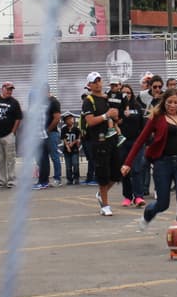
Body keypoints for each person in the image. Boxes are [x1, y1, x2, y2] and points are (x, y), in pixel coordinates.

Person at [123, 87, 177, 250]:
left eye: (175, 102)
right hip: (163, 163)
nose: (172, 105)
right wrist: (127, 163)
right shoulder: (157, 118)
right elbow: (140, 140)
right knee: (163, 203)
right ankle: (148, 214)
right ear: (164, 102)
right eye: (169, 102)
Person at [81, 72, 119, 216]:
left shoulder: (106, 98)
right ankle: (105, 205)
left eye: (99, 80)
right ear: (89, 85)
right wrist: (106, 115)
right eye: (94, 81)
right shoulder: (88, 101)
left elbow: (115, 117)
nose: (97, 83)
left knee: (116, 174)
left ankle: (100, 194)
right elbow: (90, 121)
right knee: (103, 174)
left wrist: (115, 116)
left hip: (112, 138)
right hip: (98, 141)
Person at [117, 84, 148, 206]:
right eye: (123, 93)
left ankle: (138, 196)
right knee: (125, 170)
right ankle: (127, 197)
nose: (126, 95)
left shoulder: (138, 107)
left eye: (128, 93)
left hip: (136, 143)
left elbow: (143, 125)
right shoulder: (117, 108)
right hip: (122, 142)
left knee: (136, 169)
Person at [0, 82, 22, 188]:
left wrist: (13, 132)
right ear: (2, 89)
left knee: (10, 158)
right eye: (8, 89)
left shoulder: (14, 102)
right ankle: (1, 179)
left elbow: (18, 118)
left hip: (9, 135)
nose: (10, 91)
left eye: (11, 89)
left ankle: (11, 179)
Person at [59, 113, 81, 186]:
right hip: (66, 150)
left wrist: (74, 143)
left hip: (75, 150)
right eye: (68, 119)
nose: (71, 120)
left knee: (75, 164)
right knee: (68, 166)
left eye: (72, 119)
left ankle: (76, 178)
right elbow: (64, 139)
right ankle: (69, 179)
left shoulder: (76, 129)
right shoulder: (64, 129)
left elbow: (78, 138)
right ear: (65, 121)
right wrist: (67, 146)